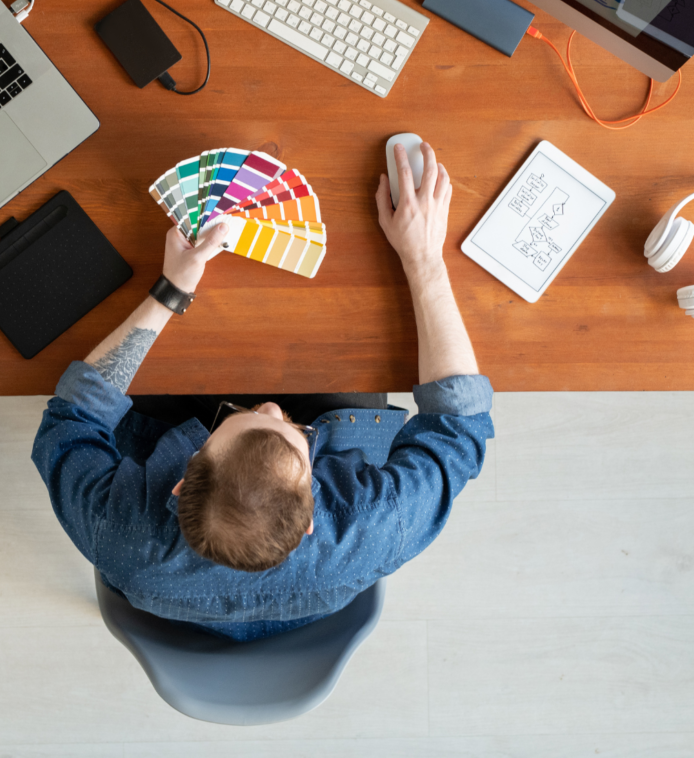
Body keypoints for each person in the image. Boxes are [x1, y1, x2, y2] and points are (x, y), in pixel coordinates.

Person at [32, 143, 493, 640]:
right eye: (289, 428)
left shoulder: (120, 536)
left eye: (249, 416)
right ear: (314, 513)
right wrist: (423, 257)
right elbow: (458, 420)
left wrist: (171, 289)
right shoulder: (372, 529)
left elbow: (71, 420)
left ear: (182, 481)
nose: (274, 407)